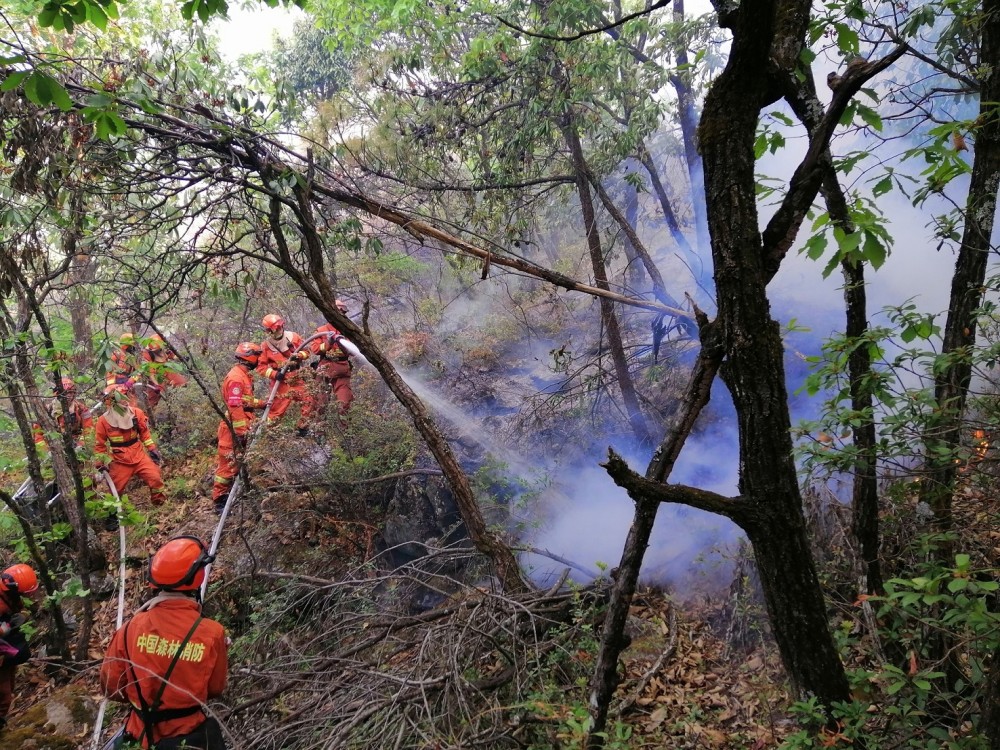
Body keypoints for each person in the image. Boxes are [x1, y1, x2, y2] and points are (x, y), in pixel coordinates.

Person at [100, 536, 227, 749]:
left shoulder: (129, 629)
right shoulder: (212, 634)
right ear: (197, 579)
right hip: (188, 738)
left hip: (139, 735)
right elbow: (215, 688)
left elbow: (111, 687)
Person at [95, 385, 166, 518]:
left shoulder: (136, 413)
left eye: (126, 395)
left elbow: (144, 433)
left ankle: (160, 504)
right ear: (112, 401)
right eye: (121, 397)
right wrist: (101, 463)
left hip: (138, 454)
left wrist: (152, 449)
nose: (125, 399)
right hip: (119, 459)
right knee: (115, 490)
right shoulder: (103, 421)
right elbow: (100, 445)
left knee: (155, 477)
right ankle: (113, 516)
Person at [212, 343, 266, 514]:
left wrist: (261, 404)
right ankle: (220, 500)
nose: (259, 359)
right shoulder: (236, 378)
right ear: (249, 356)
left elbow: (244, 400)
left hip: (243, 423)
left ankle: (235, 492)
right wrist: (241, 432)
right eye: (257, 356)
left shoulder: (244, 375)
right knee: (228, 464)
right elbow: (235, 406)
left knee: (238, 462)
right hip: (233, 428)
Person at [256, 314, 311, 433]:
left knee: (308, 400)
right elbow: (261, 368)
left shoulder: (294, 337)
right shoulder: (266, 346)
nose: (279, 330)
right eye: (276, 329)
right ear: (269, 331)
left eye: (280, 327)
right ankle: (266, 434)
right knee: (276, 410)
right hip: (280, 382)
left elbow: (307, 351)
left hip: (297, 376)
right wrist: (274, 374)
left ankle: (303, 430)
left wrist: (300, 355)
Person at [0, 563, 39, 732]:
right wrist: (5, 628)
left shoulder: (9, 595)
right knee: (3, 695)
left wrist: (19, 617)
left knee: (11, 682)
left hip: (5, 649)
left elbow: (18, 607)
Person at [309, 299, 355, 417]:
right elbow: (315, 349)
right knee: (319, 403)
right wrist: (328, 343)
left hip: (342, 369)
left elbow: (353, 351)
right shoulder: (321, 331)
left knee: (344, 402)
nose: (341, 316)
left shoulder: (348, 329)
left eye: (343, 313)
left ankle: (345, 432)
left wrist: (342, 343)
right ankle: (318, 432)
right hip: (325, 368)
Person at [32, 377, 94, 453]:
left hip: (77, 446)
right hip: (55, 447)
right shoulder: (47, 411)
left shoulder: (81, 409)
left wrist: (80, 445)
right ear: (57, 394)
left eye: (71, 392)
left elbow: (89, 430)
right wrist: (46, 451)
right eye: (65, 393)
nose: (69, 396)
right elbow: (38, 435)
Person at [141, 334, 188, 413]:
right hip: (156, 376)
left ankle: (181, 405)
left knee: (182, 383)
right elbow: (150, 373)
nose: (159, 351)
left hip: (167, 370)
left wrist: (182, 358)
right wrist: (156, 385)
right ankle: (148, 416)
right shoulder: (146, 355)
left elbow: (172, 356)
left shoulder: (163, 348)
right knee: (153, 398)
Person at [106, 333, 141, 400]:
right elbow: (110, 372)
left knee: (131, 403)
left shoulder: (134, 358)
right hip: (116, 382)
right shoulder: (116, 356)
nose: (133, 348)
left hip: (128, 382)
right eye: (131, 346)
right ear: (126, 346)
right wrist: (111, 386)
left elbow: (138, 372)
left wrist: (130, 382)